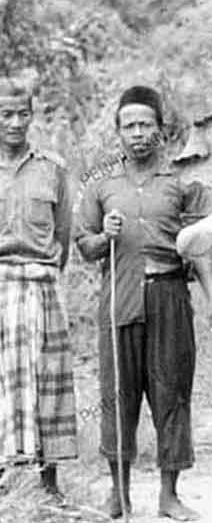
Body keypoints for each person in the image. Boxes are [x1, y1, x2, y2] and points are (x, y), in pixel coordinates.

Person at [75, 86, 212, 521]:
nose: (138, 133)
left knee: (171, 391)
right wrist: (105, 234)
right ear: (118, 133)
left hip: (170, 297)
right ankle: (118, 495)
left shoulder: (182, 182)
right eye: (129, 126)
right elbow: (84, 246)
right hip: (120, 298)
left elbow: (204, 245)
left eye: (146, 125)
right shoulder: (101, 186)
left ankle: (169, 496)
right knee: (117, 395)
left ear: (160, 130)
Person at [0, 73, 77, 503]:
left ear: (32, 115)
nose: (14, 123)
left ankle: (49, 482)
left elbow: (62, 237)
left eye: (22, 113)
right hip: (0, 284)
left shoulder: (53, 169)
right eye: (6, 114)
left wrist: (45, 270)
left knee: (49, 379)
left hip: (42, 283)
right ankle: (4, 479)